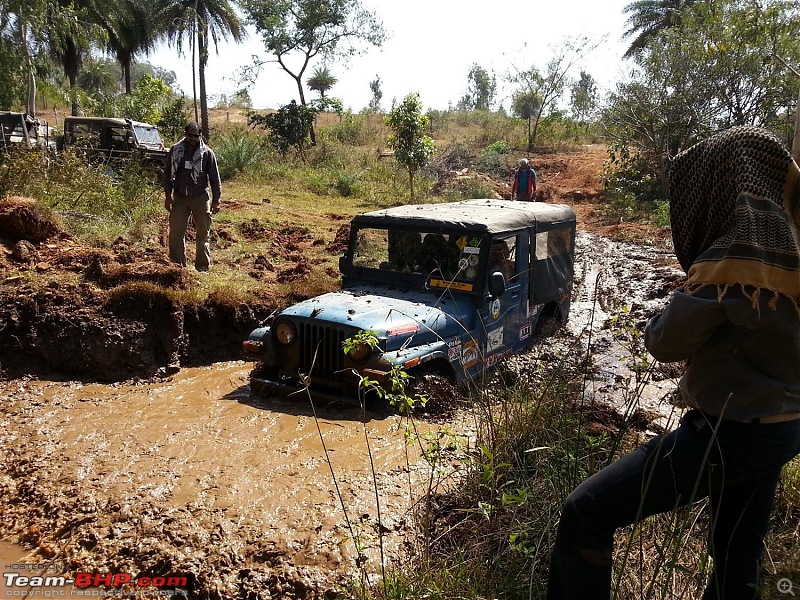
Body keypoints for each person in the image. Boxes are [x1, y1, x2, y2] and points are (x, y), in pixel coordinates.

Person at [547, 126, 800, 600]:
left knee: (586, 512)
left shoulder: (733, 259)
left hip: (727, 433)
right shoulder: (792, 248)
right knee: (735, 559)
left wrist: (678, 300)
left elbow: (664, 342)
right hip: (785, 428)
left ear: (718, 187)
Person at [164, 122, 222, 272]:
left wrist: (216, 200)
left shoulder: (207, 153)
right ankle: (177, 266)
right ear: (185, 134)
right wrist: (168, 196)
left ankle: (202, 266)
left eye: (196, 135)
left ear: (200, 135)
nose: (193, 138)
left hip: (200, 197)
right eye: (190, 135)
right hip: (180, 197)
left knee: (203, 233)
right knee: (176, 232)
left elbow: (215, 179)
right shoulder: (176, 150)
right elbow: (168, 174)